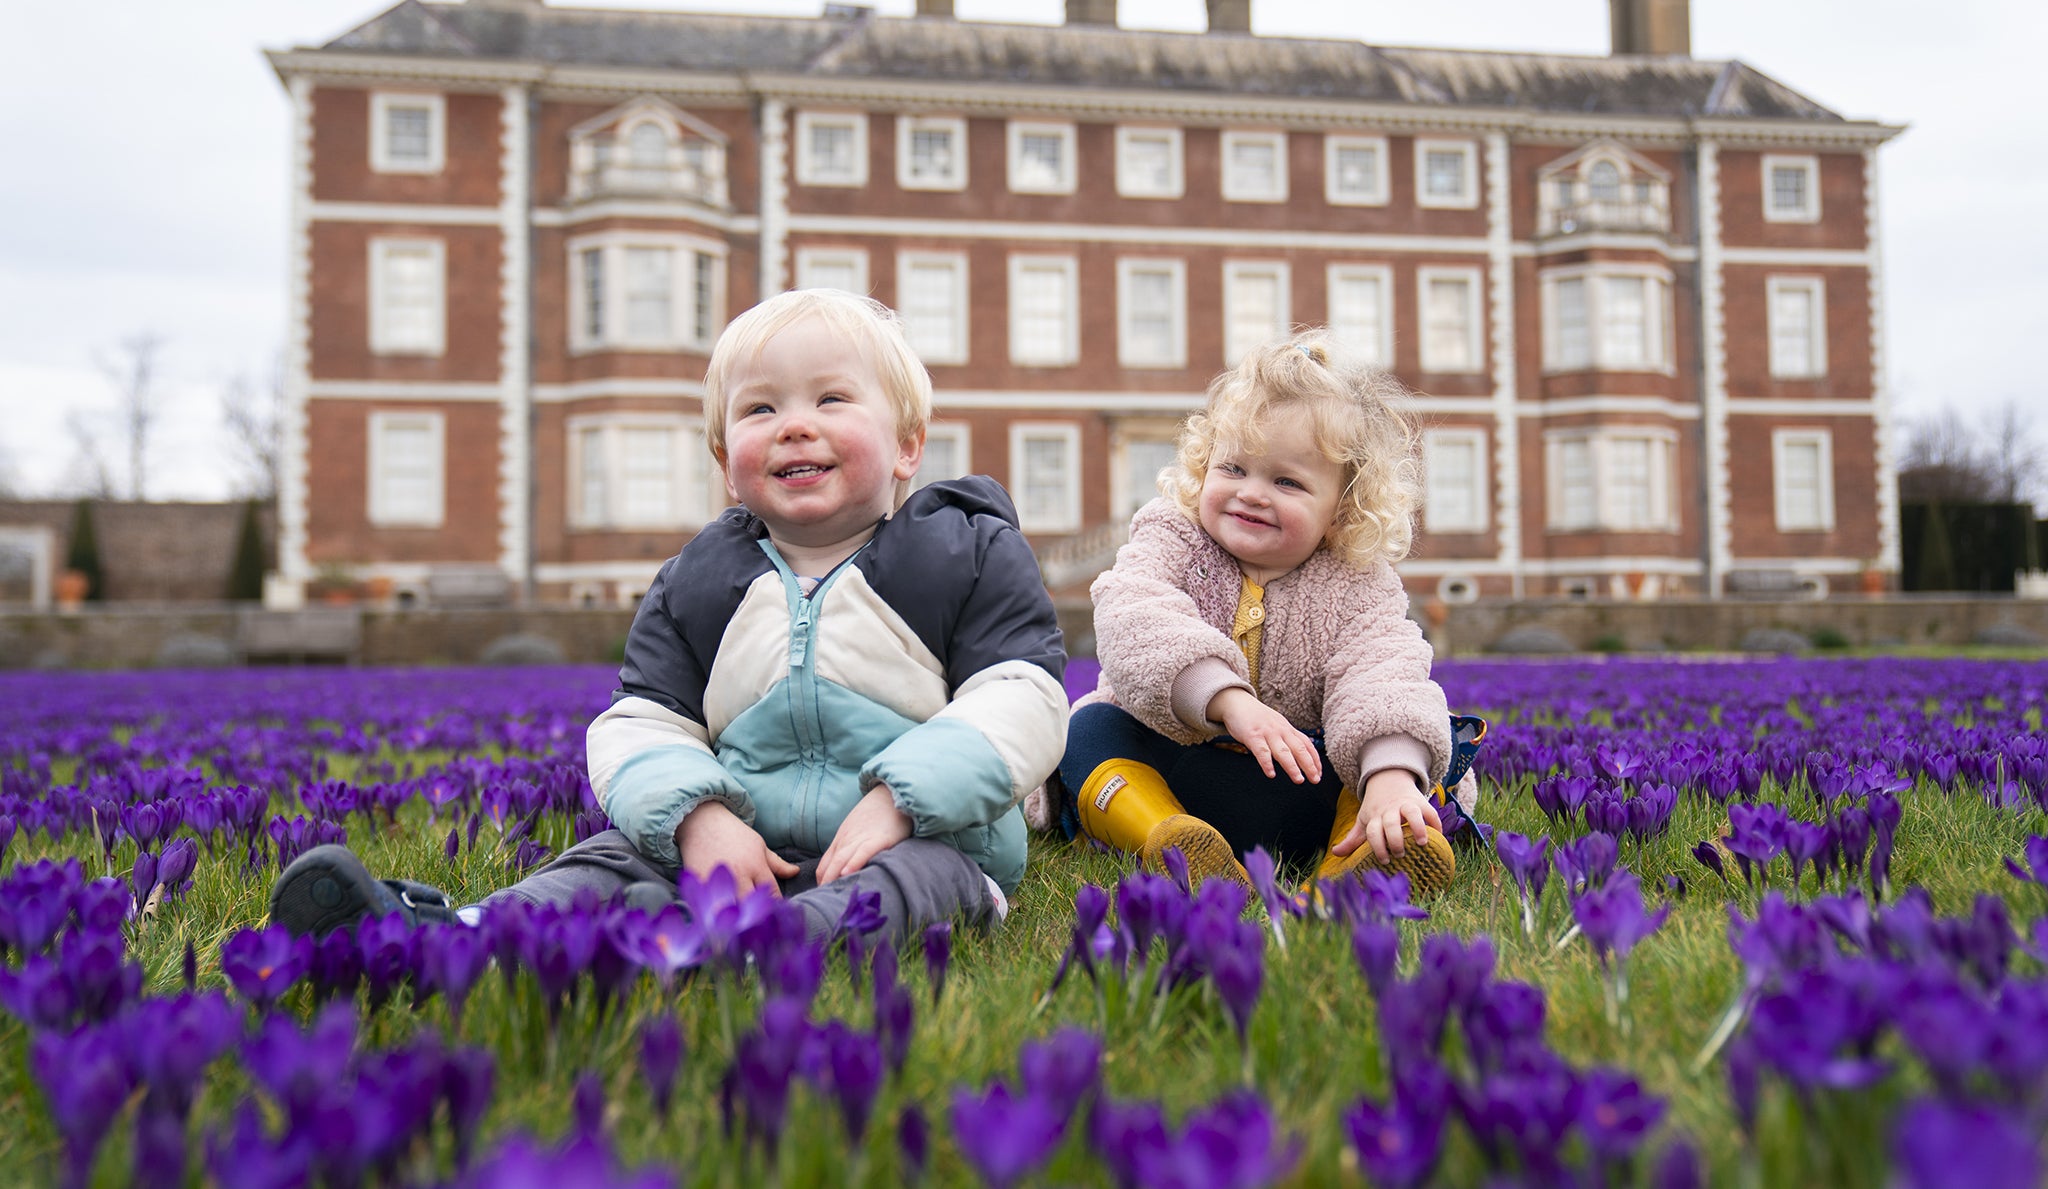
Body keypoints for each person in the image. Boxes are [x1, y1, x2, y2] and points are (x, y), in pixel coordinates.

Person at [271, 288, 1069, 946]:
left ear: (907, 445)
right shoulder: (698, 581)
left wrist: (905, 797)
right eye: (760, 409)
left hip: (925, 839)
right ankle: (465, 934)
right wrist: (698, 815)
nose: (794, 423)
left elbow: (1021, 696)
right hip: (740, 842)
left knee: (912, 886)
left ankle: (765, 953)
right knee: (612, 858)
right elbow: (641, 722)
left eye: (831, 398)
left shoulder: (961, 552)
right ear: (727, 466)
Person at [1051, 330, 1481, 895]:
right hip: (1176, 770)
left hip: (1298, 781)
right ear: (1203, 466)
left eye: (1286, 481)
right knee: (1087, 730)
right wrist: (1229, 702)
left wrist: (1392, 778)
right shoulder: (1171, 537)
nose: (1252, 493)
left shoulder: (1358, 585)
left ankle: (1356, 851)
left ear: (1342, 509)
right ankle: (1162, 836)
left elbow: (1385, 676)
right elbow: (1135, 614)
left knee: (1391, 758)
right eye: (1232, 468)